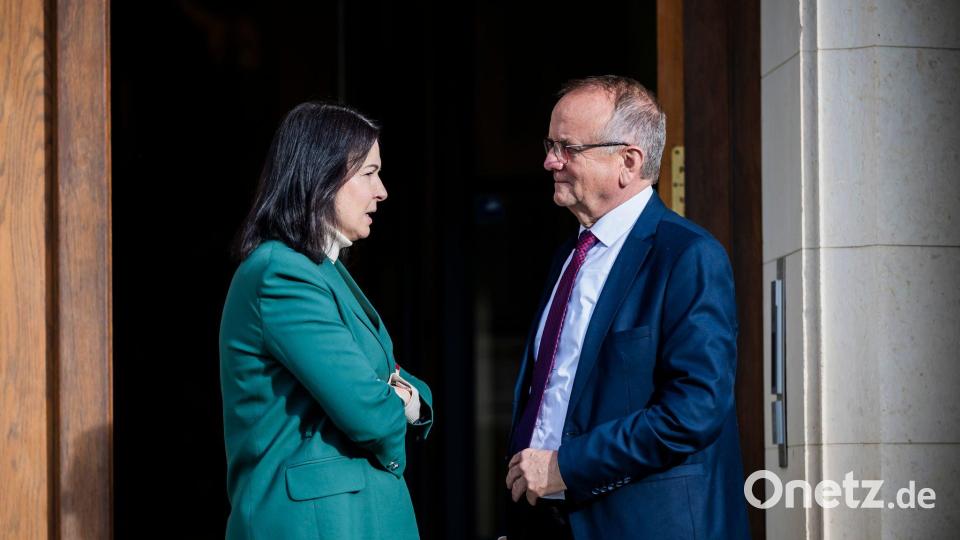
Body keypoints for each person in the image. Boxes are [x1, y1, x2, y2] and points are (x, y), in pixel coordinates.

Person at [504, 76, 750, 539]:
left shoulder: (687, 255)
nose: (549, 161)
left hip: (646, 523)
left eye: (567, 148)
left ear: (628, 162)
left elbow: (694, 410)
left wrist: (567, 466)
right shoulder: (569, 256)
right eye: (550, 144)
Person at [220, 102, 433, 540]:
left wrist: (406, 394)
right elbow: (367, 411)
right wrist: (400, 402)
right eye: (370, 173)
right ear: (323, 174)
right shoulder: (281, 273)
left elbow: (391, 383)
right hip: (317, 525)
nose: (383, 191)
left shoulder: (320, 269)